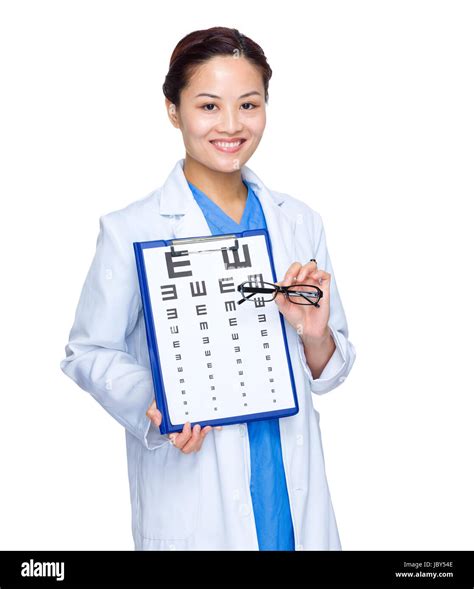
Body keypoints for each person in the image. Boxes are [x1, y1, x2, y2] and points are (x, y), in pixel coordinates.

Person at [60, 26, 356, 551]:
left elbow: (329, 372)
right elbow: (88, 351)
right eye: (208, 106)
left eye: (248, 104)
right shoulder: (134, 228)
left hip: (290, 491)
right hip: (196, 494)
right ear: (173, 110)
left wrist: (314, 335)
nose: (231, 125)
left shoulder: (299, 221)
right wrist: (156, 402)